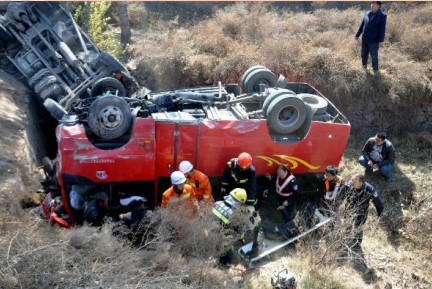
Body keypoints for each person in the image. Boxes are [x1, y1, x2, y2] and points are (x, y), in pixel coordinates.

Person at [211, 188, 255, 266]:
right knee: (227, 253)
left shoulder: (217, 203)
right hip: (222, 240)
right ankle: (225, 263)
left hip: (211, 232)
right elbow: (239, 230)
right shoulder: (234, 215)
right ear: (239, 202)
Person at [340, 174, 384, 249]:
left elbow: (377, 202)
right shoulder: (348, 185)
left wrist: (379, 212)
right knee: (347, 225)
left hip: (362, 211)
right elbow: (340, 196)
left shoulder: (369, 189)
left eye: (354, 181)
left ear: (361, 182)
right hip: (349, 209)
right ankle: (345, 242)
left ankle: (357, 244)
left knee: (358, 227)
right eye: (352, 180)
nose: (352, 182)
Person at [355, 1, 387, 75]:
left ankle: (375, 71)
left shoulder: (382, 15)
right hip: (365, 38)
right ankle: (364, 68)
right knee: (363, 54)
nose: (372, 5)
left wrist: (381, 40)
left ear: (379, 6)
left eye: (374, 4)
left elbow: (382, 29)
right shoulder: (367, 13)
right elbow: (362, 25)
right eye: (371, 3)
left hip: (374, 40)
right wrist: (357, 35)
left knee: (374, 56)